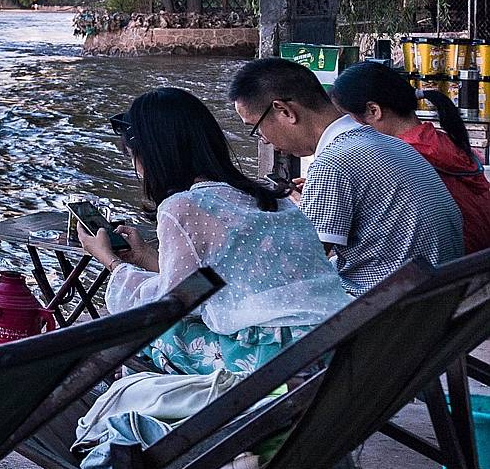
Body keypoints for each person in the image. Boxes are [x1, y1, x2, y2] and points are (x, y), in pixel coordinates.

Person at [74, 88, 349, 375]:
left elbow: (174, 305)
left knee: (144, 335)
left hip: (277, 365)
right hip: (331, 342)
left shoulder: (182, 207)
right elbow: (211, 281)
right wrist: (143, 255)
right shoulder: (272, 196)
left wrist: (110, 261)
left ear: (153, 155)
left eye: (133, 156)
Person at [229, 57, 462, 290]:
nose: (265, 140)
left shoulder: (334, 162)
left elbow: (295, 266)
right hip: (432, 301)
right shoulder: (391, 144)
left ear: (285, 111)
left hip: (384, 312)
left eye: (256, 128)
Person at [331, 60, 490, 255]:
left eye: (349, 118)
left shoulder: (401, 156)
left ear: (374, 111)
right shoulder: (437, 140)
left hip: (452, 266)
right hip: (473, 262)